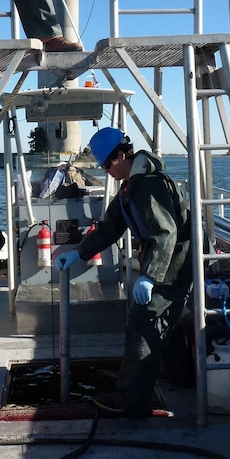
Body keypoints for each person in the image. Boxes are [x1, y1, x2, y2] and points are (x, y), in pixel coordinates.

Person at [56, 128, 193, 416]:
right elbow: (110, 228)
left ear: (122, 155)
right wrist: (78, 253)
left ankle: (131, 400)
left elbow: (165, 234)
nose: (105, 171)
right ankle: (181, 376)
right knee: (165, 319)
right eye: (102, 166)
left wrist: (151, 277)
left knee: (143, 322)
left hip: (175, 263)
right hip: (165, 261)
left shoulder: (147, 185)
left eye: (107, 165)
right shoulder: (130, 186)